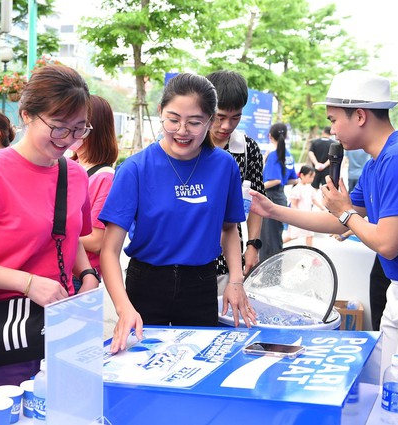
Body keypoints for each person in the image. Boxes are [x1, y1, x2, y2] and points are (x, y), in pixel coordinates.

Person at [250, 70, 398, 391]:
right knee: (386, 384)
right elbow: (337, 219)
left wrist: (344, 211)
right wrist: (272, 209)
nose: (331, 130)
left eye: (333, 120)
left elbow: (387, 244)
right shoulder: (375, 163)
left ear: (359, 115)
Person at [0, 64, 100, 403]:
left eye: (78, 129)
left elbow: (70, 238)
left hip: (61, 326)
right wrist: (27, 282)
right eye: (58, 128)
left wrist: (85, 273)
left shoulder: (75, 176)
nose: (68, 141)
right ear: (27, 115)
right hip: (4, 332)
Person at [99, 73, 256, 354]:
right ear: (160, 113)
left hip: (200, 284)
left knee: (199, 365)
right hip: (146, 284)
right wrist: (124, 308)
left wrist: (235, 280)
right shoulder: (135, 169)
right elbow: (109, 251)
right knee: (142, 368)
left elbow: (229, 229)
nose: (182, 130)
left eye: (195, 122)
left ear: (209, 121)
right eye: (173, 119)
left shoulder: (224, 167)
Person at [206, 70, 265, 291]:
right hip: (185, 260)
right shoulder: (187, 146)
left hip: (227, 261)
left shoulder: (248, 149)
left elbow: (257, 201)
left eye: (235, 118)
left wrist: (253, 245)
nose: (226, 126)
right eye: (220, 117)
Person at [70, 95, 119, 292]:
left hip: (80, 277)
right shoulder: (70, 166)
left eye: (77, 124)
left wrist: (51, 234)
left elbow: (97, 241)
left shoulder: (105, 178)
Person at [259, 122, 298, 261]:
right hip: (280, 197)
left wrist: (255, 188)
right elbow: (293, 180)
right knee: (275, 237)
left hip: (271, 198)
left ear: (270, 136)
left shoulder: (275, 155)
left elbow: (274, 180)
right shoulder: (287, 154)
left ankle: (266, 278)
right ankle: (275, 275)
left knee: (267, 239)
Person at [283, 165, 324, 246]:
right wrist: (298, 215)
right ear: (302, 175)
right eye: (310, 177)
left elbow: (314, 200)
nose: (312, 179)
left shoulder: (310, 188)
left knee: (310, 235)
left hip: (307, 216)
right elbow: (293, 204)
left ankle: (311, 254)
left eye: (313, 177)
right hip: (298, 217)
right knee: (292, 236)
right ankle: (277, 246)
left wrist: (322, 208)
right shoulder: (297, 189)